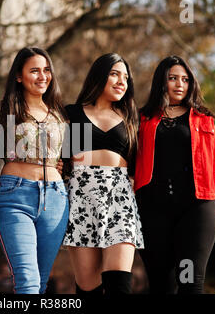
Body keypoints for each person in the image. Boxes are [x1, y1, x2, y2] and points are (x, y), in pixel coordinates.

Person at [134, 55, 215, 294]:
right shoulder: (142, 119)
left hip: (196, 208)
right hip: (153, 209)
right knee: (161, 285)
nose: (180, 84)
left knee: (190, 282)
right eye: (173, 78)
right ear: (162, 82)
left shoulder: (204, 120)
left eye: (185, 79)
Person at [62, 53, 144, 295]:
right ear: (99, 76)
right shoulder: (71, 114)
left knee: (119, 283)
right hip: (81, 200)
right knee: (88, 287)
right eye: (115, 74)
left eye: (126, 78)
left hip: (120, 200)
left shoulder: (131, 118)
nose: (121, 82)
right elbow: (58, 154)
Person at [0, 47, 69, 294]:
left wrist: (63, 166)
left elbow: (75, 158)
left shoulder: (61, 115)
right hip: (15, 196)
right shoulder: (2, 111)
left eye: (46, 70)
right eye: (34, 71)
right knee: (27, 280)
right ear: (18, 76)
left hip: (55, 199)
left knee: (42, 281)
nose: (42, 76)